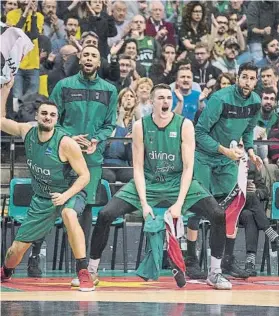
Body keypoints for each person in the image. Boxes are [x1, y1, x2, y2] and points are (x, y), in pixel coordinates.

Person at [86, 83, 233, 290]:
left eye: (168, 98)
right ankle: (91, 271)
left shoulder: (184, 125)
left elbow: (189, 168)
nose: (165, 101)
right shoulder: (140, 126)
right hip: (148, 181)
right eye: (161, 98)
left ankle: (215, 273)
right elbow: (136, 167)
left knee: (218, 214)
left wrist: (179, 204)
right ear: (152, 102)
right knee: (105, 215)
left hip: (178, 181)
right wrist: (144, 205)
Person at [0, 77, 94, 292]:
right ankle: (5, 271)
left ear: (57, 119)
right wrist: (5, 90)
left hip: (70, 192)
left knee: (69, 215)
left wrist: (65, 196)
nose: (48, 117)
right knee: (15, 252)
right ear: (37, 116)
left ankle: (83, 271)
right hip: (42, 198)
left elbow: (85, 176)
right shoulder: (27, 132)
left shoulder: (66, 143)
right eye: (44, 113)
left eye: (52, 114)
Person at [185, 62, 263, 280]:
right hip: (205, 157)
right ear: (238, 78)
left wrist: (250, 150)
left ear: (256, 81)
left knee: (232, 209)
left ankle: (227, 260)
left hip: (228, 160)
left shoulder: (256, 102)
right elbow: (200, 133)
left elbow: (248, 131)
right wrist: (222, 150)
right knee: (199, 208)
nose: (247, 82)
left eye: (251, 78)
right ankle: (191, 259)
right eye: (244, 77)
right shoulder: (220, 98)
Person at [50, 45, 118, 287]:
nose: (89, 59)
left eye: (94, 56)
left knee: (86, 209)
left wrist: (96, 140)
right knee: (53, 205)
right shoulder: (63, 86)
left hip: (92, 158)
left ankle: (83, 267)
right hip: (64, 156)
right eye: (86, 55)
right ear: (80, 60)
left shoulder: (110, 90)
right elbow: (51, 119)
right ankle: (36, 258)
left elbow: (110, 124)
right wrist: (70, 137)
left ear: (99, 63)